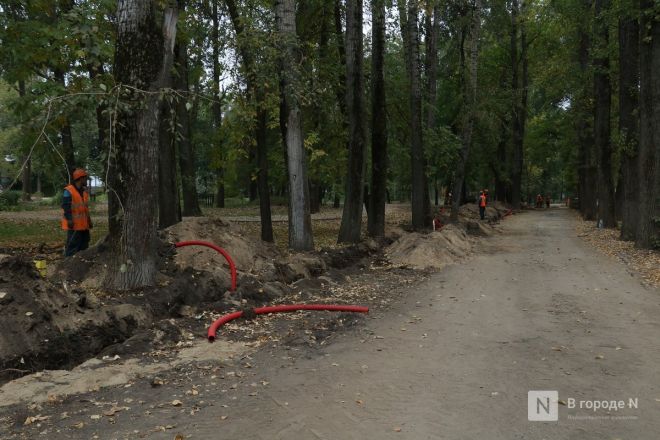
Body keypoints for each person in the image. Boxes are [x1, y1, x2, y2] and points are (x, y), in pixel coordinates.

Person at [62, 168, 92, 257]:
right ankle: (67, 264)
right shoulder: (68, 191)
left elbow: (85, 208)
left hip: (84, 225)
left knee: (84, 245)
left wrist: (89, 221)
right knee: (72, 246)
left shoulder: (84, 192)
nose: (86, 180)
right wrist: (69, 220)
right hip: (74, 225)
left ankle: (80, 264)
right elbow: (66, 206)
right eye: (85, 178)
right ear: (80, 178)